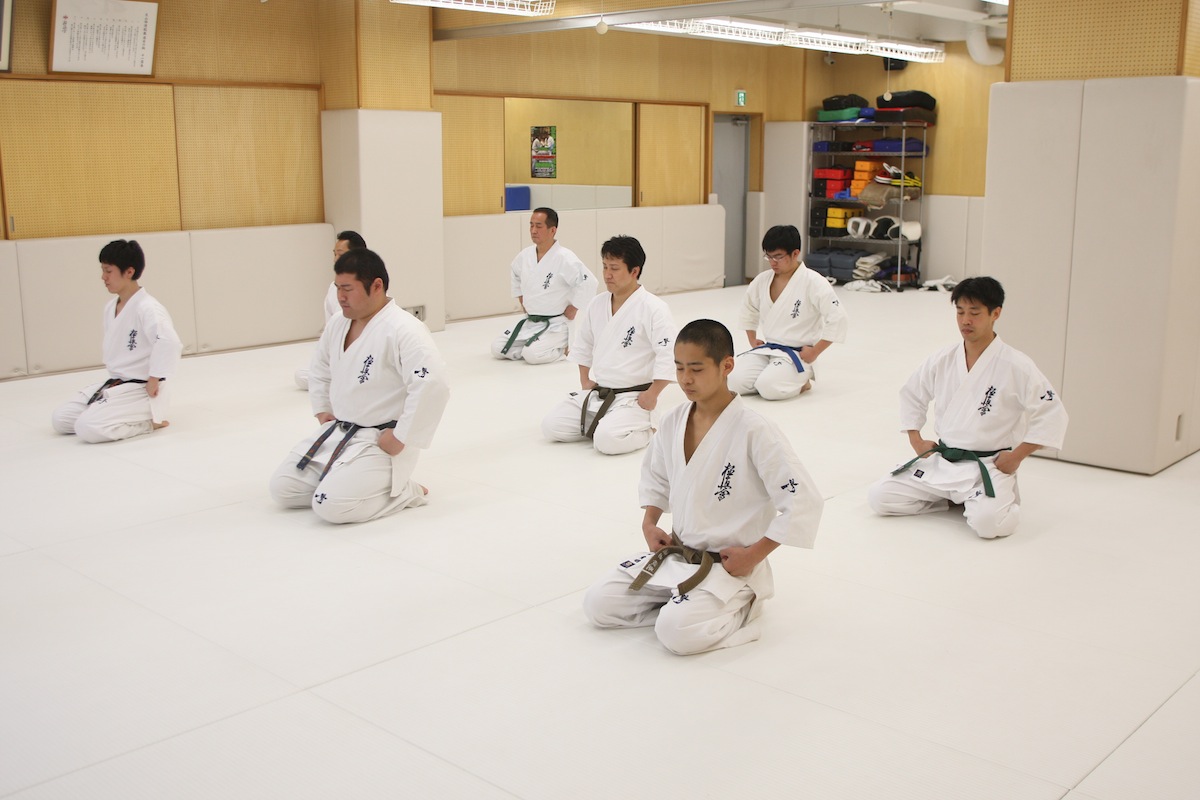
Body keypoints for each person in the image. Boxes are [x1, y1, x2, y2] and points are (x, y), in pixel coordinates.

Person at [582, 319, 823, 654]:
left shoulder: (755, 430)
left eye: (696, 369)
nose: (685, 379)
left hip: (730, 567)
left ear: (727, 366)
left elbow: (803, 501)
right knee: (599, 604)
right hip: (678, 555)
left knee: (676, 635)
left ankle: (736, 608)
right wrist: (650, 523)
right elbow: (656, 477)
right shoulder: (673, 420)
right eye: (679, 368)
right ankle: (684, 608)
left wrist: (753, 556)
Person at [867, 276, 1068, 539]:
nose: (965, 321)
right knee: (880, 497)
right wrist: (916, 440)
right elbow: (912, 393)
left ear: (996, 313)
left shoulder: (1017, 365)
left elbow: (1052, 412)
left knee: (988, 524)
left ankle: (995, 498)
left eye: (975, 313)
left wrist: (1016, 456)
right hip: (944, 460)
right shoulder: (943, 358)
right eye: (960, 312)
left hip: (988, 465)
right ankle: (950, 498)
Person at [269, 248, 450, 525]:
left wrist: (401, 436)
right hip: (340, 432)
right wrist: (323, 409)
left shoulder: (404, 329)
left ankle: (405, 492)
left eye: (348, 289)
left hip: (381, 440)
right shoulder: (338, 324)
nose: (340, 297)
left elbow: (432, 384)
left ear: (376, 286)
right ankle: (349, 481)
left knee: (329, 506)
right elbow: (320, 368)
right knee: (283, 488)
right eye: (337, 288)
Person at [541, 235, 674, 455]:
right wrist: (585, 379)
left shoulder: (654, 308)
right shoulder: (597, 303)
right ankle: (607, 423)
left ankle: (648, 429)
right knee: (552, 426)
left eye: (614, 268)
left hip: (634, 397)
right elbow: (583, 344)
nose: (607, 274)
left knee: (606, 441)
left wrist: (652, 394)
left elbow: (667, 355)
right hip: (600, 393)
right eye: (604, 266)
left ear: (634, 271)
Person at [51, 240, 183, 443]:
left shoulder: (148, 308)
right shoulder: (111, 307)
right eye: (103, 270)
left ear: (129, 272)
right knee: (61, 420)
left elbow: (169, 342)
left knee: (87, 428)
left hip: (142, 389)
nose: (103, 277)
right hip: (117, 383)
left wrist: (154, 378)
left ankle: (148, 423)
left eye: (108, 271)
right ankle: (107, 412)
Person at [730, 224, 847, 400]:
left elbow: (838, 318)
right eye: (769, 256)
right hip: (768, 349)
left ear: (795, 253)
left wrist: (815, 352)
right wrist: (752, 339)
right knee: (734, 382)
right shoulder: (762, 280)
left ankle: (802, 383)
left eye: (778, 256)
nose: (772, 262)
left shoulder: (814, 282)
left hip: (798, 355)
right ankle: (776, 376)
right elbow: (749, 308)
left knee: (768, 388)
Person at [490, 208, 595, 365]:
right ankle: (531, 348)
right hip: (530, 321)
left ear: (552, 230)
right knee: (498, 348)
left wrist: (575, 307)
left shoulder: (565, 257)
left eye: (538, 226)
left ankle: (562, 350)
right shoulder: (525, 255)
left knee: (532, 355)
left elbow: (589, 281)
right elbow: (515, 273)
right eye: (531, 225)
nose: (533, 230)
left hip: (556, 324)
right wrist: (521, 297)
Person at [295, 231, 367, 389]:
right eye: (334, 254)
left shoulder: (370, 287)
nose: (335, 259)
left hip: (363, 354)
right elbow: (330, 328)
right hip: (337, 354)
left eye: (340, 254)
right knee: (301, 376)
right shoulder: (333, 288)